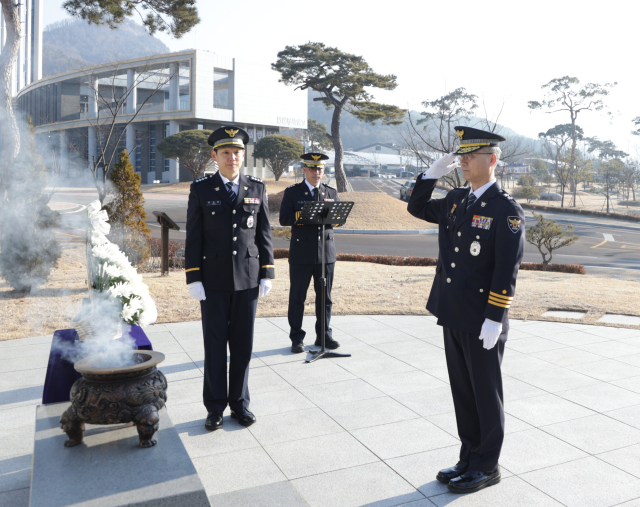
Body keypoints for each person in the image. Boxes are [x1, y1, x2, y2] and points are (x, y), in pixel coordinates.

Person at [407, 126, 525, 494]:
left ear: (491, 160)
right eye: (461, 156)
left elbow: (507, 268)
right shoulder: (457, 198)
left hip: (482, 318)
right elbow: (417, 207)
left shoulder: (506, 210)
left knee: (485, 393)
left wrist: (496, 317)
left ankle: (487, 465)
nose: (463, 161)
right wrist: (429, 177)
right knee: (462, 390)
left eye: (470, 156)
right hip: (453, 310)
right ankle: (469, 455)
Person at [185, 126, 275, 431]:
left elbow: (264, 234)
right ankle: (214, 408)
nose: (232, 157)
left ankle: (239, 404)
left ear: (243, 155)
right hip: (212, 281)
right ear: (215, 156)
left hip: (248, 281)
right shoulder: (201, 189)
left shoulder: (257, 188)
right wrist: (193, 277)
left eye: (237, 152)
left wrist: (267, 272)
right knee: (214, 346)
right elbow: (194, 238)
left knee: (242, 346)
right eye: (225, 152)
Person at [279, 153, 340, 353]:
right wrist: (306, 215)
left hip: (326, 253)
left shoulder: (330, 192)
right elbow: (284, 218)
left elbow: (339, 219)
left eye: (320, 169)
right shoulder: (293, 192)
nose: (316, 172)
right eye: (312, 169)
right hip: (301, 254)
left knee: (326, 297)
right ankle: (296, 338)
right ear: (304, 169)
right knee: (297, 297)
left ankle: (324, 335)